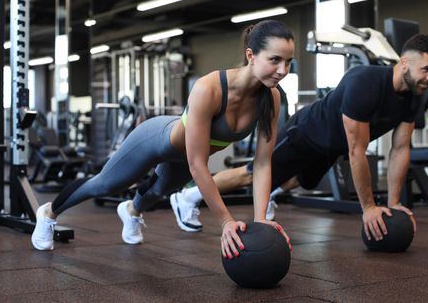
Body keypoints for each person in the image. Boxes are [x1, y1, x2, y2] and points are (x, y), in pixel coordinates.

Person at [31, 19, 294, 259]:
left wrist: (261, 221)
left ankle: (131, 211)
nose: (283, 70)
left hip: (183, 157)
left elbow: (261, 163)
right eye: (274, 60)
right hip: (156, 139)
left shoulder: (271, 98)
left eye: (288, 61)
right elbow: (198, 164)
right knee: (105, 185)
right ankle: (48, 213)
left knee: (157, 192)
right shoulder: (210, 88)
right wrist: (226, 221)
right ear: (251, 55)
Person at [170, 33, 428, 242]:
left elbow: (400, 147)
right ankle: (188, 197)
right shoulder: (366, 83)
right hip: (306, 133)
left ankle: (271, 193)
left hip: (328, 147)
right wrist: (369, 207)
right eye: (426, 70)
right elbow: (357, 150)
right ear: (405, 62)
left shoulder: (418, 93)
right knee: (253, 174)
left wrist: (394, 203)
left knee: (301, 181)